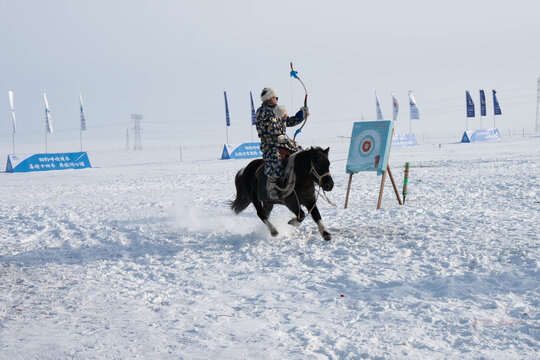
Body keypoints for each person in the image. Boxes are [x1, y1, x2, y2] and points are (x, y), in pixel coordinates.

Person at [255, 87, 309, 200]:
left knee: (303, 154)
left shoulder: (278, 111)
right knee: (275, 160)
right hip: (270, 145)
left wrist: (301, 114)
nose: (277, 100)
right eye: (276, 98)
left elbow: (289, 121)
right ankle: (272, 187)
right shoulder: (262, 111)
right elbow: (271, 113)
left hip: (284, 143)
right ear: (270, 98)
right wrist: (278, 111)